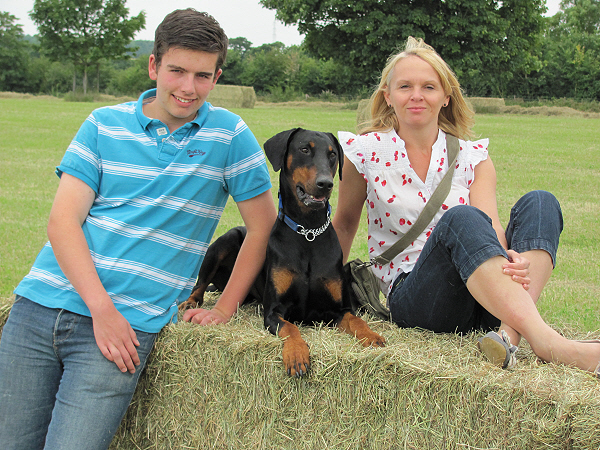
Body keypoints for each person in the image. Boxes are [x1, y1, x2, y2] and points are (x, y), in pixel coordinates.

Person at [0, 9, 277, 449]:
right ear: (154, 65)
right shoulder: (102, 123)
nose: (188, 87)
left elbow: (263, 228)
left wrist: (225, 308)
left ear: (217, 77)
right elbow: (62, 222)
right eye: (177, 71)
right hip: (39, 306)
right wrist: (101, 310)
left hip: (127, 327)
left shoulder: (229, 136)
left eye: (202, 76)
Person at [332, 36, 600, 377]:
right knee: (460, 218)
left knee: (541, 202)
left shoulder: (473, 156)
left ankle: (508, 333)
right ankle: (549, 343)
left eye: (429, 87)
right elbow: (344, 224)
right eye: (405, 86)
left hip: (484, 297)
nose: (416, 95)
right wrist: (323, 296)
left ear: (446, 97)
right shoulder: (365, 153)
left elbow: (491, 226)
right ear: (388, 96)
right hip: (419, 299)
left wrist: (512, 259)